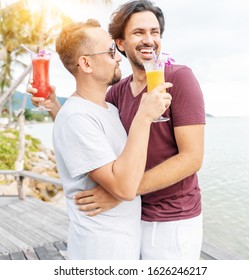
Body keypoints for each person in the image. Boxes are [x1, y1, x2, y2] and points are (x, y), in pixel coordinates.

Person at [30, 0, 205, 260]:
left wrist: (123, 192)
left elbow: (192, 158)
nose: (149, 40)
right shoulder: (116, 93)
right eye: (138, 32)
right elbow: (86, 129)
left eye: (154, 32)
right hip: (130, 223)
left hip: (170, 220)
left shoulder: (179, 78)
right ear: (120, 44)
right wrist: (58, 107)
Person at [49, 19, 172, 260]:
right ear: (86, 63)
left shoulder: (108, 110)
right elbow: (125, 188)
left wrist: (54, 106)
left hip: (122, 247)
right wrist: (144, 116)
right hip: (99, 253)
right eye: (110, 51)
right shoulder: (75, 117)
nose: (118, 58)